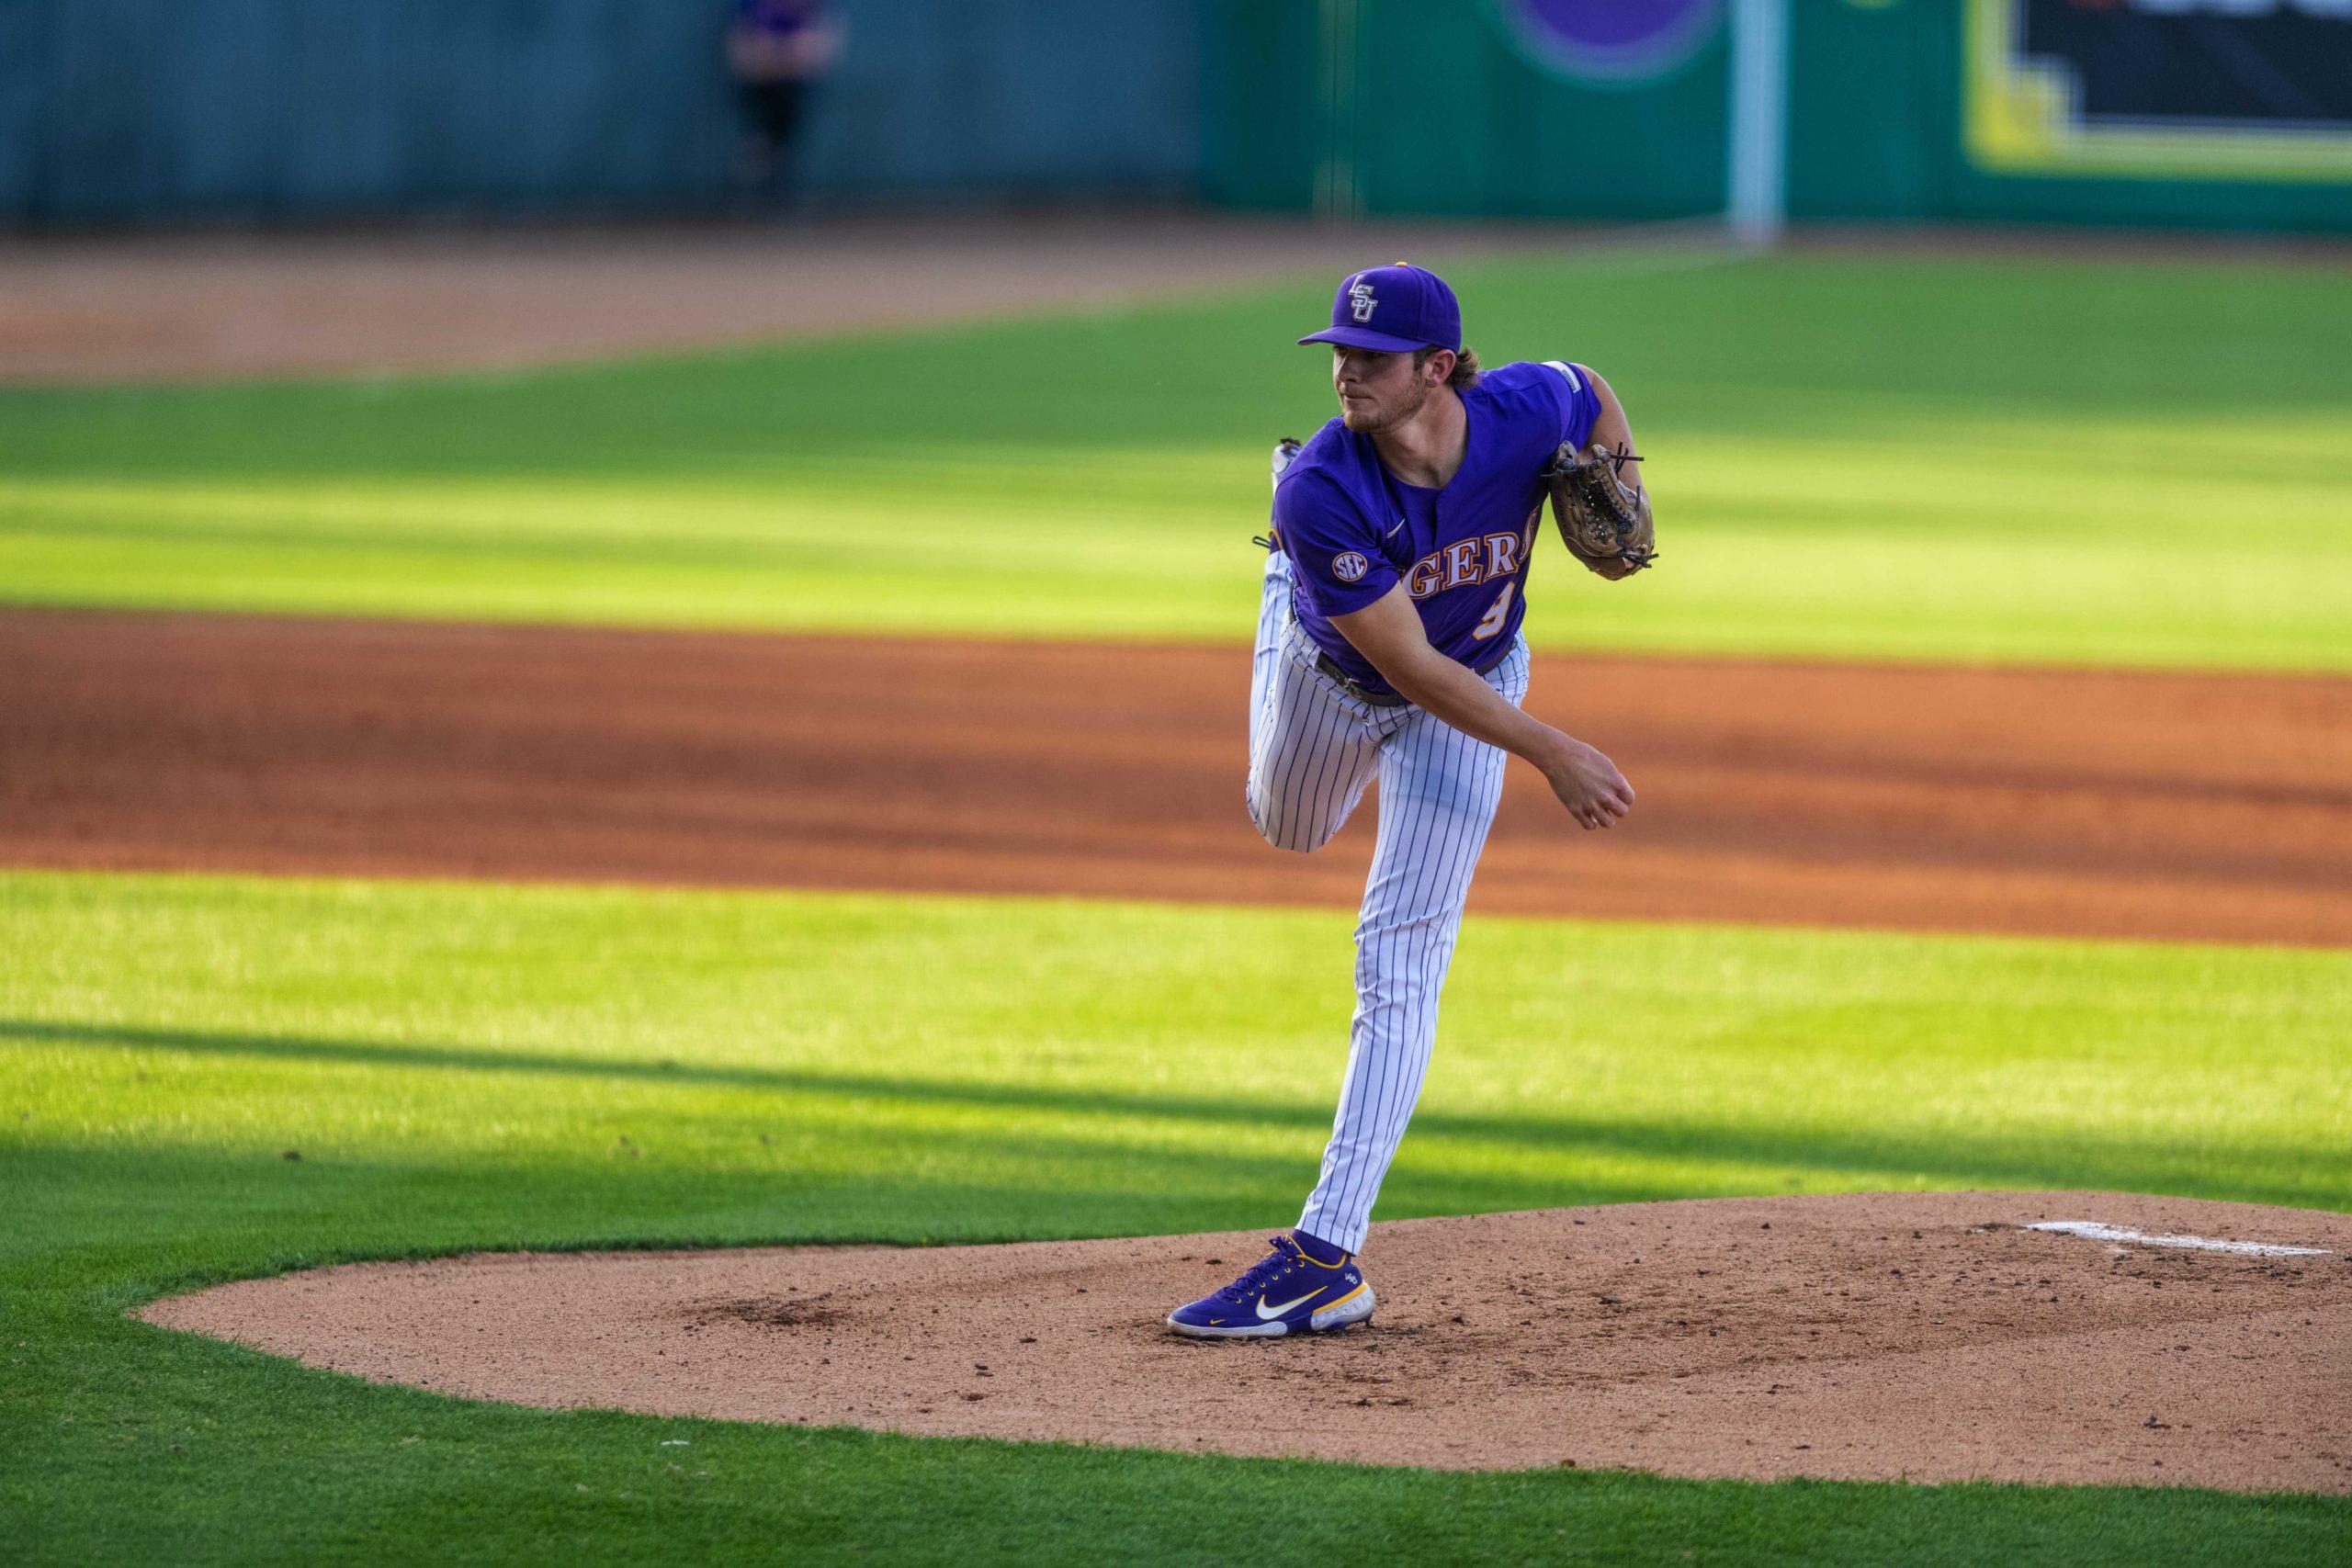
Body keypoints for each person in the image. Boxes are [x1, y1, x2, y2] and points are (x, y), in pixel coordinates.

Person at [1166, 264, 1645, 1338]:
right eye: (1338, 351)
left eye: (1370, 358)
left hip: (1474, 688)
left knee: (1401, 952)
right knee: (1286, 827)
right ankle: (1281, 590)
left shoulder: (1524, 411)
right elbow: (1411, 668)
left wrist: (1623, 478)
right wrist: (1554, 752)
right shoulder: (1322, 487)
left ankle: (1326, 1255)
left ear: (1438, 369)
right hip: (1339, 686)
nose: (1344, 371)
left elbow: (1588, 383)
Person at [727, 0, 840, 204]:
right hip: (758, 81)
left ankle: (772, 167)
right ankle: (759, 164)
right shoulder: (751, 6)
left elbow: (816, 47)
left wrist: (788, 57)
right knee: (762, 131)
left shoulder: (811, 8)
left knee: (784, 122)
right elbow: (744, 51)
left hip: (792, 82)